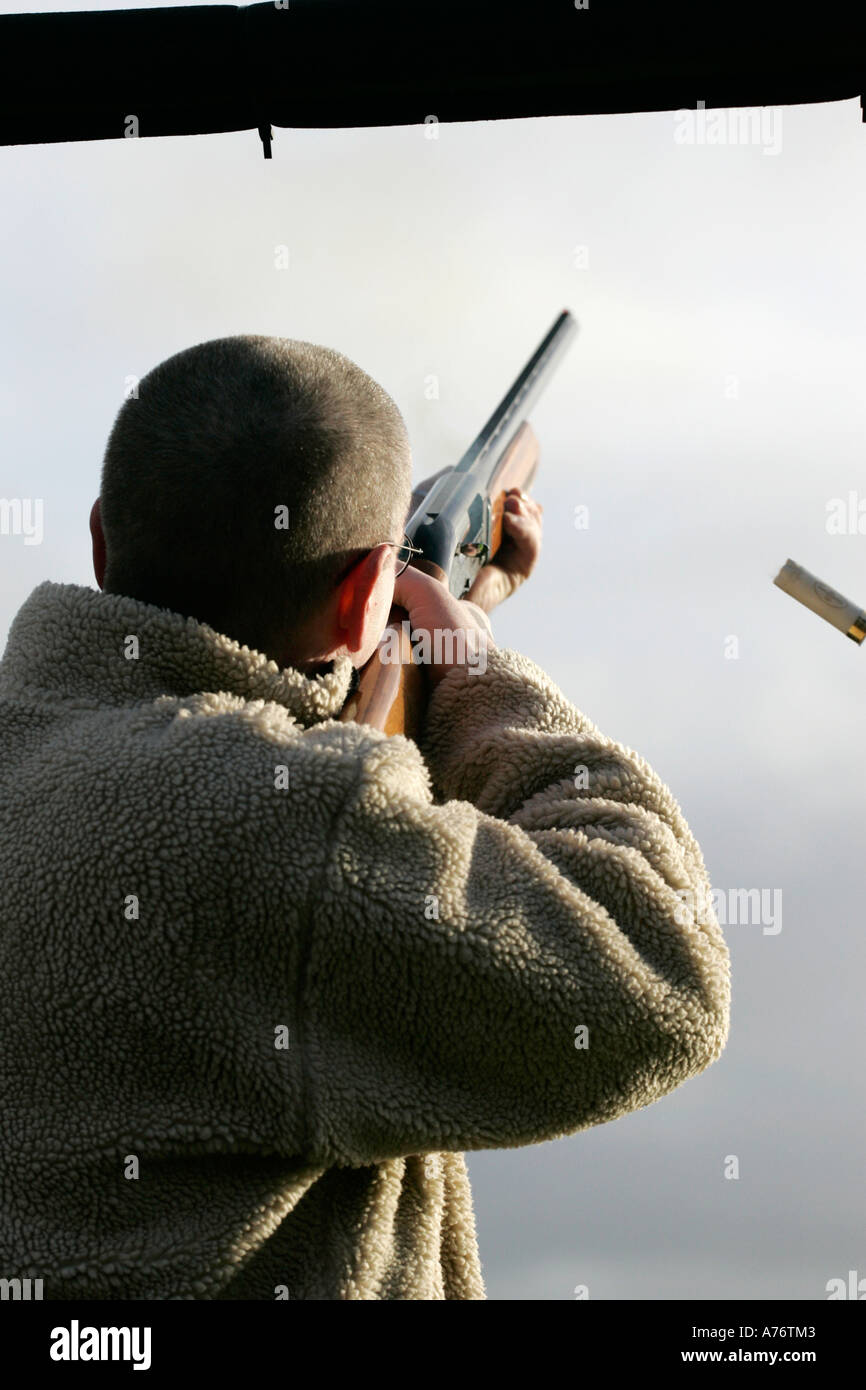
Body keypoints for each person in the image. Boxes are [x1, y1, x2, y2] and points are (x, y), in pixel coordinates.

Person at [0, 334, 730, 1300]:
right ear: (360, 604)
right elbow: (660, 969)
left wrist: (416, 660)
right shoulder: (291, 825)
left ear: (102, 541)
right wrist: (472, 669)